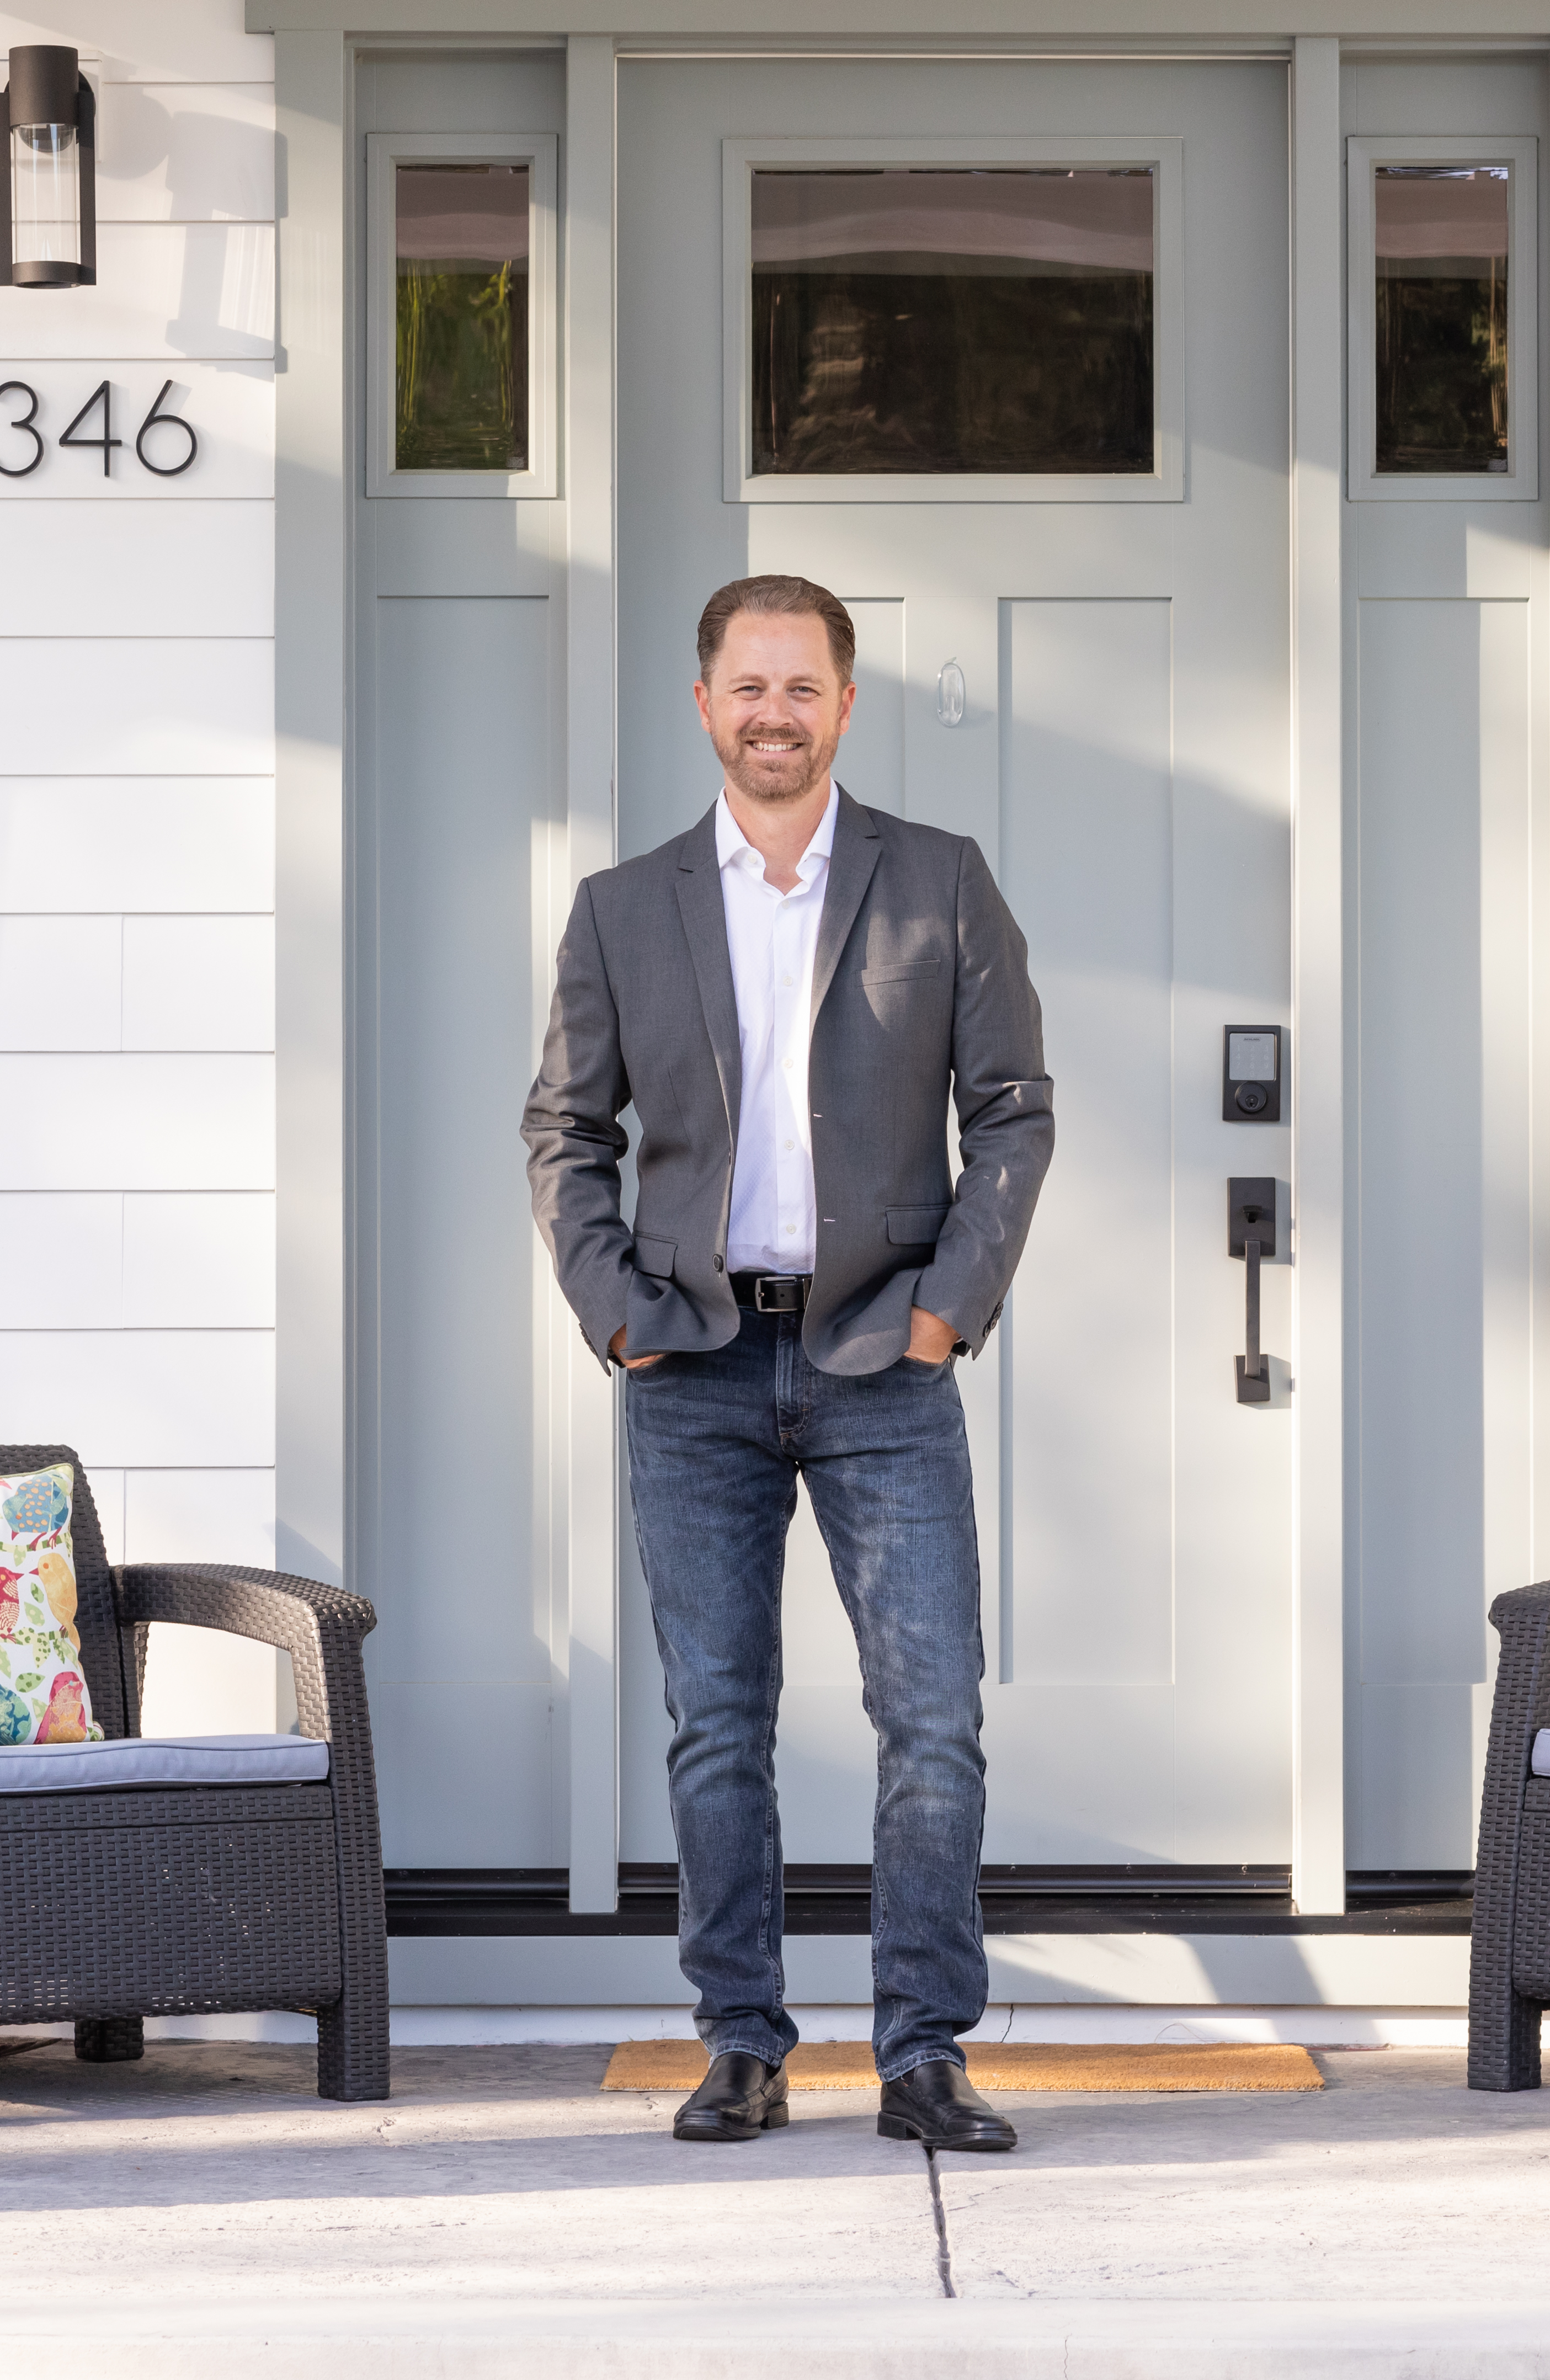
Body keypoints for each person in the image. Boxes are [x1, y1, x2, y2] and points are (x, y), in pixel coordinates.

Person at [522, 574, 1054, 2152]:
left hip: (887, 1357)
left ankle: (922, 2050)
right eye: (746, 686)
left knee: (934, 1717)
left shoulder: (938, 884)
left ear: (843, 702)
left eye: (801, 686)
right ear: (704, 703)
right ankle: (743, 2039)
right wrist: (614, 1302)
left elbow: (1014, 1110)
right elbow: (568, 1130)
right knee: (716, 1724)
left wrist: (950, 1305)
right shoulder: (625, 907)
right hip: (689, 1364)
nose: (773, 713)